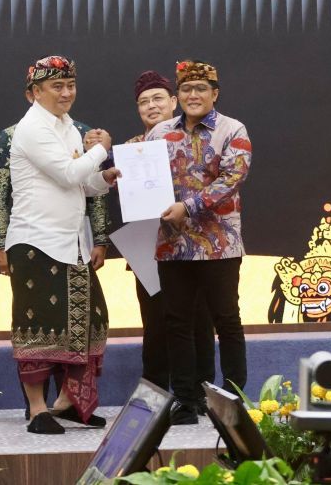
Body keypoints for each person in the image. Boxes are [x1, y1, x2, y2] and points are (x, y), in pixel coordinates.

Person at [5, 55, 120, 434]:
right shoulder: (31, 128)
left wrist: (105, 178)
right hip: (35, 241)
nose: (66, 92)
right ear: (35, 92)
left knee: (90, 319)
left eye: (70, 85)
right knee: (39, 325)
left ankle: (67, 403)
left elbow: (81, 183)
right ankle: (38, 409)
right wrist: (102, 148)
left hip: (71, 243)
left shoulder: (68, 127)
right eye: (57, 86)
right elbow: (68, 171)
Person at [147, 60, 251, 425]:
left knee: (226, 320)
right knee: (176, 322)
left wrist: (187, 207)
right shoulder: (159, 132)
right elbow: (143, 177)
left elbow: (230, 180)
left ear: (215, 94)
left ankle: (234, 400)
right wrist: (115, 173)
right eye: (187, 90)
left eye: (201, 89)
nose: (193, 95)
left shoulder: (232, 129)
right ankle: (187, 401)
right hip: (172, 244)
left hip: (219, 243)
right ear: (178, 95)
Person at [119, 71, 215, 397]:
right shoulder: (131, 149)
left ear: (174, 102)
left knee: (199, 320)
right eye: (144, 102)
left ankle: (199, 393)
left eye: (158, 98)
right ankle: (155, 393)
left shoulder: (197, 141)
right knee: (155, 323)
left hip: (195, 247)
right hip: (149, 248)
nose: (151, 106)